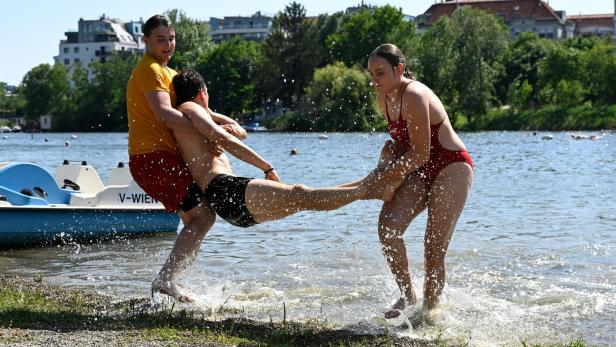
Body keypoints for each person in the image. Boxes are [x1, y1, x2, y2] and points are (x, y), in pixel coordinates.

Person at [171, 68, 385, 229]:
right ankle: (371, 189)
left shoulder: (195, 116)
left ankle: (366, 186)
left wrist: (225, 126)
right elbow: (223, 139)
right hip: (225, 189)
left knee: (304, 200)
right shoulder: (190, 108)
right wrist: (266, 166)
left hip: (229, 203)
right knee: (302, 194)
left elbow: (241, 131)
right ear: (202, 92)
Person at [127, 15, 243, 303]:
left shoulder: (170, 73)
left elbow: (202, 112)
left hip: (163, 159)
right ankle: (166, 280)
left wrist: (230, 125)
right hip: (151, 159)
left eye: (171, 38)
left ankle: (169, 279)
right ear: (145, 41)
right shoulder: (150, 70)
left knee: (200, 216)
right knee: (202, 216)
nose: (168, 45)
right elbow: (165, 115)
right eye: (160, 39)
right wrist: (210, 131)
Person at [366, 44, 474, 316]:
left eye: (380, 72)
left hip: (451, 167)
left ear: (399, 69)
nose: (374, 79)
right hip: (420, 169)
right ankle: (408, 298)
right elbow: (404, 145)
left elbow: (421, 152)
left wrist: (387, 176)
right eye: (371, 73)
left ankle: (429, 314)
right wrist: (385, 161)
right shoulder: (383, 99)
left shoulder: (413, 94)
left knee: (433, 246)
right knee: (388, 228)